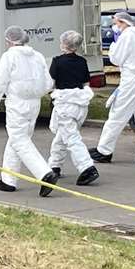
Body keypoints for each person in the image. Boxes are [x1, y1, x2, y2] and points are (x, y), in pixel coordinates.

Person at [0, 25, 55, 197]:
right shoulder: (37, 56)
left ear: (9, 41)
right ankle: (9, 180)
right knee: (17, 140)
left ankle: (45, 174)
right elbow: (48, 83)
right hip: (34, 104)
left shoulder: (9, 57)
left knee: (19, 140)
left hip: (17, 104)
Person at [92, 11, 135, 166]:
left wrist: (114, 43)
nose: (114, 26)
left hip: (131, 79)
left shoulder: (127, 36)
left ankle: (104, 150)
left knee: (118, 114)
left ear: (122, 22)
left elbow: (116, 59)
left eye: (116, 22)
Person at [41, 30, 99, 188]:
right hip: (80, 104)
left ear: (64, 44)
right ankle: (54, 165)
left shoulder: (57, 61)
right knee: (62, 137)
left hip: (65, 104)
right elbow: (86, 83)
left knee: (72, 139)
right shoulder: (82, 62)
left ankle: (87, 168)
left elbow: (50, 84)